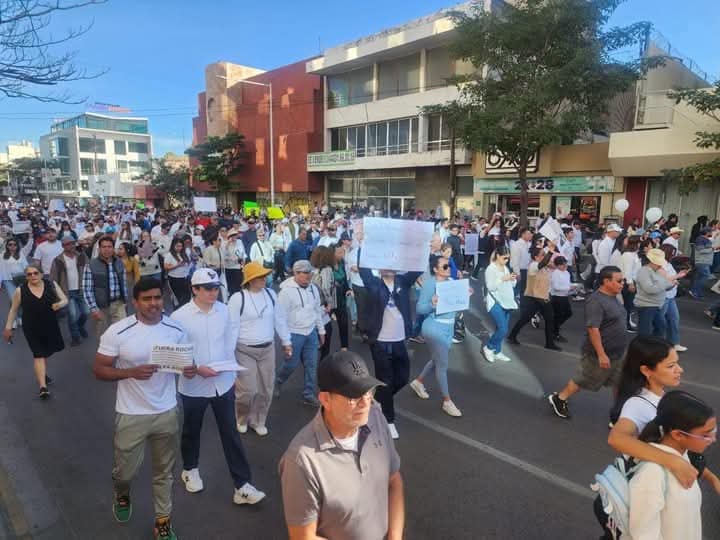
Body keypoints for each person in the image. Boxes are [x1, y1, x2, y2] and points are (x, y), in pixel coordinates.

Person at [93, 278, 196, 540]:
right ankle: (122, 492)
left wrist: (189, 369)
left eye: (157, 297)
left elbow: (187, 364)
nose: (153, 303)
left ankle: (163, 522)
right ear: (135, 302)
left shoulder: (176, 328)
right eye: (147, 299)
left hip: (167, 411)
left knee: (164, 473)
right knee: (125, 471)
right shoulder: (117, 331)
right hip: (131, 414)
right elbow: (99, 369)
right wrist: (130, 372)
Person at [278, 351, 404, 540]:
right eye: (353, 397)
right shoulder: (302, 461)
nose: (365, 403)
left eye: (368, 392)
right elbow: (303, 537)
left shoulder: (376, 417)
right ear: (325, 399)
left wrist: (395, 537)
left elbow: (394, 481)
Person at [170, 269, 266, 506]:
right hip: (193, 385)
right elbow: (175, 352)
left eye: (215, 288)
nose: (213, 292)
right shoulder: (179, 317)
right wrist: (196, 367)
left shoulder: (224, 311)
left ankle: (242, 485)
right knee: (192, 430)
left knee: (230, 433)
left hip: (222, 383)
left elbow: (229, 342)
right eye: (208, 288)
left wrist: (230, 368)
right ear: (194, 290)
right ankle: (190, 469)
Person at [628, 391, 715, 540]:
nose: (713, 439)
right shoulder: (652, 473)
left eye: (714, 431)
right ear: (678, 435)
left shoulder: (683, 455)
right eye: (705, 435)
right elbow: (644, 535)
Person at [547, 266, 627, 419]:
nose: (622, 283)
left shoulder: (614, 297)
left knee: (619, 382)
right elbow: (593, 329)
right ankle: (560, 398)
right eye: (619, 281)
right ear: (606, 281)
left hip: (617, 352)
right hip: (599, 354)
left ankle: (618, 413)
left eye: (623, 280)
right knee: (583, 380)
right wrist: (601, 354)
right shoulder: (596, 301)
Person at [358, 259, 422, 439]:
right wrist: (363, 247)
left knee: (402, 378)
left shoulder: (403, 282)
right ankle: (388, 420)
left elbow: (418, 266)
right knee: (385, 380)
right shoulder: (373, 284)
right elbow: (363, 269)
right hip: (380, 342)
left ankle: (378, 399)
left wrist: (429, 248)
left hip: (399, 341)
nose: (389, 266)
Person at [229, 262, 292, 436]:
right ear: (250, 280)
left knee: (266, 389)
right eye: (260, 276)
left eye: (265, 275)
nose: (264, 279)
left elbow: (279, 319)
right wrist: (229, 355)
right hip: (244, 349)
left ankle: (258, 420)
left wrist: (286, 341)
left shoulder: (271, 294)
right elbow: (232, 327)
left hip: (267, 349)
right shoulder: (238, 298)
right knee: (247, 390)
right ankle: (242, 418)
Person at [408, 255, 472, 417]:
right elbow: (420, 308)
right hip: (434, 327)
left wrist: (465, 296)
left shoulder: (451, 282)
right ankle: (447, 401)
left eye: (449, 265)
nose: (448, 268)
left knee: (437, 359)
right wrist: (432, 304)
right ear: (435, 269)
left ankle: (418, 382)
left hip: (449, 327)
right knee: (442, 364)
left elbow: (457, 307)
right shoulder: (430, 284)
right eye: (444, 266)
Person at [3, 263, 67, 399]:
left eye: (35, 273)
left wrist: (59, 304)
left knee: (46, 352)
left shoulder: (51, 285)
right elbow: (13, 310)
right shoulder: (20, 290)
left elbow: (65, 300)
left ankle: (42, 373)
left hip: (50, 324)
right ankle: (43, 387)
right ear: (26, 277)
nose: (33, 276)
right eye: (29, 274)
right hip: (31, 327)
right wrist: (8, 328)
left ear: (41, 274)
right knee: (38, 354)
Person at [275, 260, 326, 407]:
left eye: (310, 273)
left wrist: (321, 331)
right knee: (291, 365)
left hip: (311, 332)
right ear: (296, 273)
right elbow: (280, 318)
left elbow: (317, 310)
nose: (309, 276)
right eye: (305, 273)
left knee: (312, 364)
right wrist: (286, 341)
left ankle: (308, 394)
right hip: (294, 334)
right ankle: (278, 381)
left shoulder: (313, 288)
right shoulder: (286, 292)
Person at [507, 242, 561, 351]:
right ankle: (549, 343)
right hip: (537, 296)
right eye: (542, 254)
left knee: (526, 318)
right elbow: (543, 263)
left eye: (544, 254)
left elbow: (554, 265)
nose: (544, 256)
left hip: (540, 296)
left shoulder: (544, 265)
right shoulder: (533, 265)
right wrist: (550, 252)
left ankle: (512, 335)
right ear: (536, 257)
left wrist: (554, 251)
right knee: (549, 318)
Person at [83, 235, 128, 337]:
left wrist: (125, 301)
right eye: (104, 247)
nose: (107, 249)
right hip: (101, 307)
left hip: (119, 304)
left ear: (113, 248)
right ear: (99, 249)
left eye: (109, 247)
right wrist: (94, 309)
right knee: (104, 337)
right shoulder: (91, 265)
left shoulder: (119, 262)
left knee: (122, 334)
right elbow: (87, 289)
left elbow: (124, 283)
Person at [635, 248, 685, 337]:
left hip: (656, 305)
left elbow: (663, 287)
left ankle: (652, 344)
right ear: (652, 261)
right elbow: (650, 289)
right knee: (646, 331)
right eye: (659, 262)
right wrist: (668, 284)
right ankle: (645, 345)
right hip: (646, 305)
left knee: (660, 328)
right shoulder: (644, 271)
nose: (660, 264)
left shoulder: (658, 271)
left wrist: (671, 284)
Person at [50, 236, 89, 346]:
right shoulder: (58, 260)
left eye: (72, 243)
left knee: (86, 312)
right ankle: (75, 337)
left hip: (81, 290)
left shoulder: (81, 256)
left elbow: (88, 270)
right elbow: (53, 279)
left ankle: (80, 326)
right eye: (68, 244)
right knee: (72, 315)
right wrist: (58, 294)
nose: (71, 246)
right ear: (63, 246)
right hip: (67, 292)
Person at [483, 246, 517, 363]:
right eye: (504, 258)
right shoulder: (490, 269)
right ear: (498, 256)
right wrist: (503, 279)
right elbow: (490, 287)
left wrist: (512, 279)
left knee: (501, 328)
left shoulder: (505, 268)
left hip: (507, 301)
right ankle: (489, 347)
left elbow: (512, 285)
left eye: (508, 258)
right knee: (503, 329)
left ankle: (497, 351)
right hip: (495, 302)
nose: (506, 260)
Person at [658, 244, 687, 353]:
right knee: (660, 322)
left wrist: (677, 276)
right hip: (664, 296)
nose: (674, 255)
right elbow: (663, 279)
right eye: (672, 253)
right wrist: (677, 276)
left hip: (670, 296)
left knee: (674, 319)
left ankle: (674, 343)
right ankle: (658, 344)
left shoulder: (668, 264)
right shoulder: (660, 265)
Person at [0, 236, 33, 327]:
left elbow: (26, 265)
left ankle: (19, 317)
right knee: (13, 299)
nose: (12, 246)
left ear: (17, 246)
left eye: (14, 244)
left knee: (20, 299)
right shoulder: (2, 256)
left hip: (21, 278)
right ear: (7, 246)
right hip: (9, 280)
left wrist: (30, 236)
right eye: (10, 244)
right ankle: (13, 319)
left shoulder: (21, 254)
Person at [619, 235, 641, 332]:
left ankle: (626, 323)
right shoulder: (628, 255)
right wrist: (630, 284)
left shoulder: (633, 254)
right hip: (628, 282)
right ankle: (626, 325)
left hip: (632, 281)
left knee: (629, 305)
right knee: (627, 306)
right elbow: (627, 271)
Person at [549, 256, 572, 343]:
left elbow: (568, 284)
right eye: (562, 265)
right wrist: (568, 288)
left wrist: (573, 288)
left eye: (565, 264)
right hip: (557, 297)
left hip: (565, 296)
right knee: (558, 315)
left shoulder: (567, 273)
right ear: (557, 265)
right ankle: (555, 332)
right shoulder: (555, 273)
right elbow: (556, 287)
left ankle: (554, 327)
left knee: (568, 313)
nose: (565, 266)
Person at [164, 238, 192, 307]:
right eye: (177, 246)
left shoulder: (184, 253)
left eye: (181, 246)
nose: (179, 248)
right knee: (178, 298)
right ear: (173, 246)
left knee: (187, 296)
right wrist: (177, 265)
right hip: (175, 279)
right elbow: (166, 267)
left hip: (185, 278)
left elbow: (189, 262)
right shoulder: (169, 255)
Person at [689, 227, 713, 299]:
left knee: (700, 277)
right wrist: (712, 248)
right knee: (705, 276)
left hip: (703, 261)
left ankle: (695, 291)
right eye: (711, 231)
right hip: (702, 261)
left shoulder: (703, 239)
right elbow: (700, 250)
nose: (712, 233)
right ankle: (695, 291)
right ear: (707, 232)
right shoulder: (700, 239)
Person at [510, 227, 532, 299]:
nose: (530, 235)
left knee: (523, 290)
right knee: (516, 289)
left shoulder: (529, 244)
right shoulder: (516, 244)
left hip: (527, 270)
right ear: (523, 234)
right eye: (528, 234)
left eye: (531, 234)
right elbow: (515, 260)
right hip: (519, 270)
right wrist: (517, 273)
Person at [118, 242, 141, 307]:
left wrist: (137, 286)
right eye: (118, 249)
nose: (119, 250)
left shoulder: (133, 260)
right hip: (119, 285)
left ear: (126, 250)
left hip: (129, 285)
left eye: (121, 249)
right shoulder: (116, 260)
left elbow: (137, 274)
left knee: (130, 304)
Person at [223, 231, 246, 296]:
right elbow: (223, 255)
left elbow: (243, 253)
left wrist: (244, 262)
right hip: (229, 267)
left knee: (239, 285)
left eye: (235, 235)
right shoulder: (225, 243)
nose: (234, 237)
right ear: (229, 237)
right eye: (232, 235)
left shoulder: (239, 242)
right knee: (231, 286)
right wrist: (228, 244)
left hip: (238, 267)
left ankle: (239, 297)